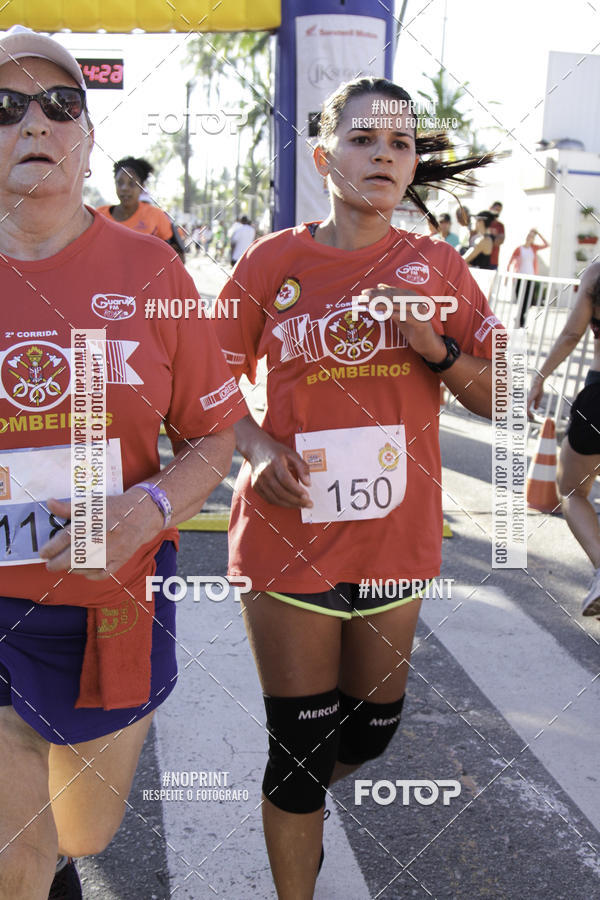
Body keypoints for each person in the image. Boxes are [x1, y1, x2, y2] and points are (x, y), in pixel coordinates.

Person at [214, 76, 501, 899]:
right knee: (300, 751)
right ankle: (295, 821)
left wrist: (435, 348)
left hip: (393, 543)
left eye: (399, 143)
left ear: (412, 164)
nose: (383, 154)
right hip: (287, 534)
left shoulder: (439, 265)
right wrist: (256, 448)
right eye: (363, 139)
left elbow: (502, 395)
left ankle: (293, 806)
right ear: (324, 156)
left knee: (370, 731)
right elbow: (202, 384)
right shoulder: (274, 261)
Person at [0, 26, 246, 899]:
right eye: (6, 107)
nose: (36, 122)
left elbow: (214, 436)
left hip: (113, 599)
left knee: (81, 831)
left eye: (60, 104)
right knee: (17, 851)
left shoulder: (152, 271)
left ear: (88, 136)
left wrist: (149, 508)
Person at [528, 262, 600, 618]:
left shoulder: (596, 273)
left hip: (599, 398)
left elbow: (572, 333)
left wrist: (539, 377)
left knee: (572, 491)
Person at [97, 156, 186, 260]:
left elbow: (178, 256)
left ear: (142, 186)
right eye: (120, 183)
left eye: (132, 183)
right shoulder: (99, 215)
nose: (124, 188)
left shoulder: (155, 215)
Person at [508, 229, 550, 327]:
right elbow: (510, 262)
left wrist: (539, 234)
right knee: (520, 299)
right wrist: (509, 277)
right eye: (528, 236)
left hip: (530, 277)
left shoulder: (533, 248)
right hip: (519, 277)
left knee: (527, 301)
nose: (529, 238)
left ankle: (521, 319)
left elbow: (547, 245)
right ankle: (520, 318)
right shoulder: (519, 249)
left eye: (531, 237)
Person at [488, 200, 505, 269]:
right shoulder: (483, 222)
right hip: (480, 260)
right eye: (496, 209)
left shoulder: (500, 226)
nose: (497, 212)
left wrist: (486, 239)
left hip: (493, 261)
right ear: (490, 208)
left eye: (499, 210)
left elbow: (499, 241)